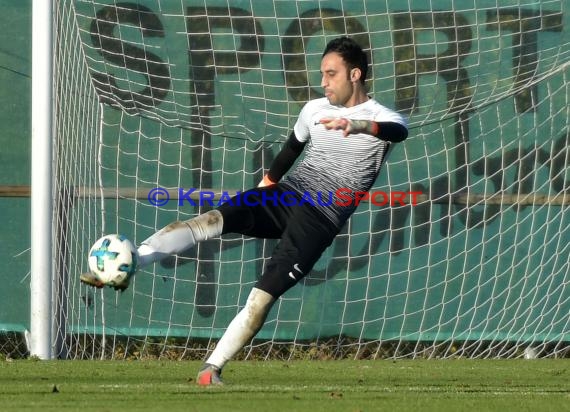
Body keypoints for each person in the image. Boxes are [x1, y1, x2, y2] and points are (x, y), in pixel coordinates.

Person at [83, 36, 408, 385]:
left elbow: (397, 131)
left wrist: (360, 126)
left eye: (331, 74)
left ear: (355, 74)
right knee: (208, 221)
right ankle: (135, 261)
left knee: (262, 296)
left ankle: (211, 369)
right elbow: (290, 150)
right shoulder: (314, 110)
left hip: (320, 220)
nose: (323, 82)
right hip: (286, 196)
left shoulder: (381, 117)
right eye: (322, 74)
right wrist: (266, 186)